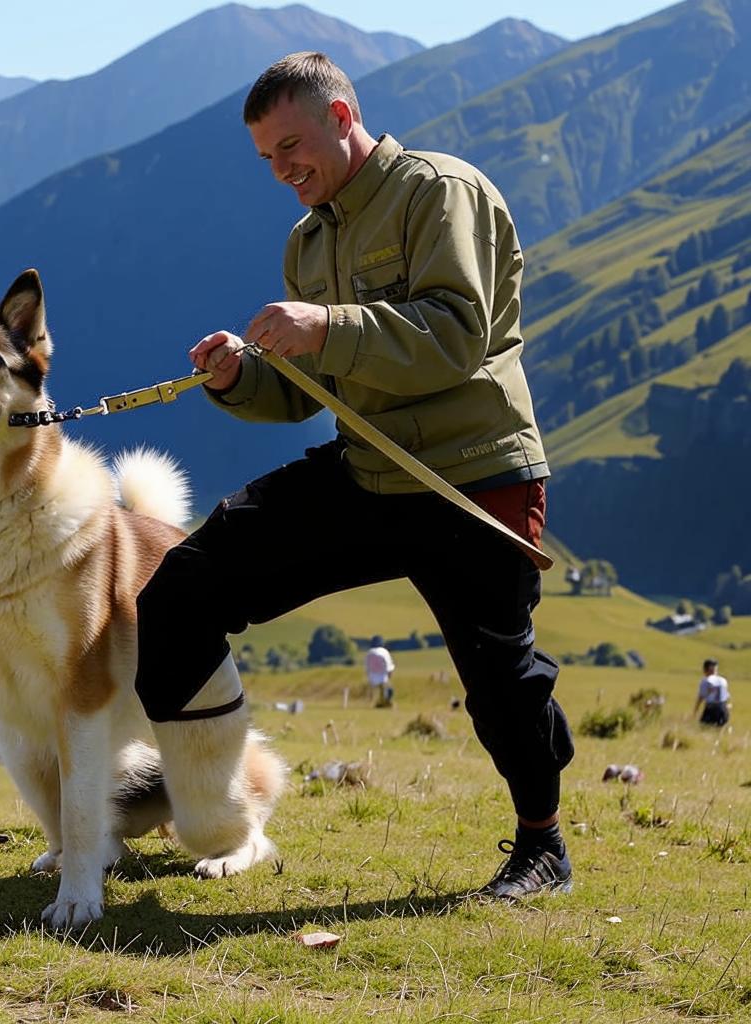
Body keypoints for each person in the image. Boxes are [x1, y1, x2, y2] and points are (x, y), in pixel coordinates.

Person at [135, 52, 574, 899]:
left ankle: (542, 845)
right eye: (266, 157)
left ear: (341, 118)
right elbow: (311, 391)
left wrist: (327, 325)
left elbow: (456, 336)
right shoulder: (309, 241)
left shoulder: (439, 192)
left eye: (290, 146)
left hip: (471, 479)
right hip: (369, 473)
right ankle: (181, 794)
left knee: (501, 682)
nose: (280, 170)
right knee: (184, 587)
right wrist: (239, 378)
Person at [694, 658, 731, 726]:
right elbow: (726, 697)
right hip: (724, 710)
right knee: (719, 730)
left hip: (711, 710)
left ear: (705, 670)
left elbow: (701, 697)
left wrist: (695, 711)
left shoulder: (706, 680)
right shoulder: (723, 680)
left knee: (704, 728)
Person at [365, 635, 395, 706]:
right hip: (382, 676)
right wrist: (389, 675)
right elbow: (389, 666)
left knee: (374, 691)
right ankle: (385, 702)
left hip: (372, 677)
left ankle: (373, 702)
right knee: (388, 690)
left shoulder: (369, 652)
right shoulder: (384, 652)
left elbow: (367, 667)